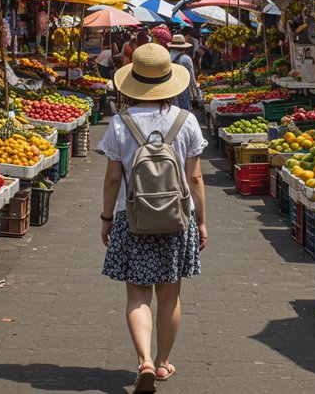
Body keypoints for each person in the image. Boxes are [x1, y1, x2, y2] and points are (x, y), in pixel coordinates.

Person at [99, 43, 207, 393]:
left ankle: (143, 359)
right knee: (169, 296)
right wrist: (201, 220)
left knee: (137, 297)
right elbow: (195, 178)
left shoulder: (119, 123)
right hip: (178, 217)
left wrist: (106, 217)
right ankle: (162, 363)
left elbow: (113, 177)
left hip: (132, 219)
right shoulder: (186, 120)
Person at [168, 35, 196, 111]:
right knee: (183, 116)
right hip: (182, 90)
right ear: (183, 47)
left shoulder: (166, 57)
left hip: (168, 91)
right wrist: (195, 94)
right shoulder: (186, 59)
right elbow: (191, 78)